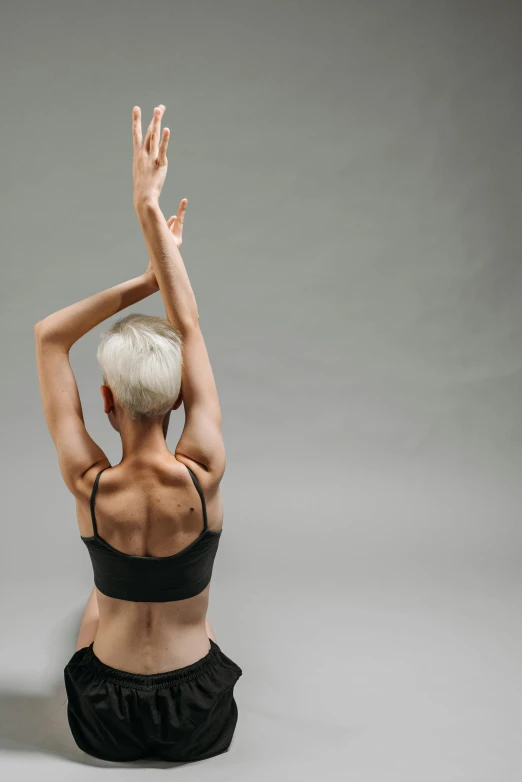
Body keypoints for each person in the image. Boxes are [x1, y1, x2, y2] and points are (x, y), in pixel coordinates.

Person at [33, 104, 242, 763]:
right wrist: (149, 215)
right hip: (201, 717)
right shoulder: (204, 470)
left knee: (97, 606)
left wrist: (144, 280)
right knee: (195, 616)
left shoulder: (88, 486)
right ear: (180, 396)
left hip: (104, 723)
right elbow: (192, 327)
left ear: (105, 401)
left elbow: (48, 337)